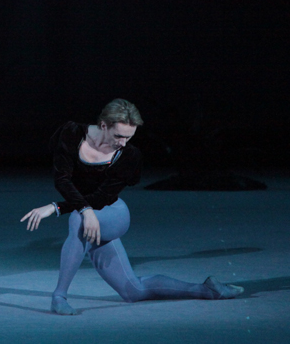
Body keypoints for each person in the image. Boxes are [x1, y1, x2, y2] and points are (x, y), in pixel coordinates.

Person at [21, 99, 243, 315]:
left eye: (129, 137)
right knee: (133, 291)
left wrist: (58, 208)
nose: (124, 142)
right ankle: (206, 289)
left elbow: (101, 197)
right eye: (119, 136)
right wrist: (80, 209)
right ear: (103, 125)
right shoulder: (71, 133)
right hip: (92, 216)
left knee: (78, 220)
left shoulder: (129, 155)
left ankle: (59, 296)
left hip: (113, 213)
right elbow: (62, 179)